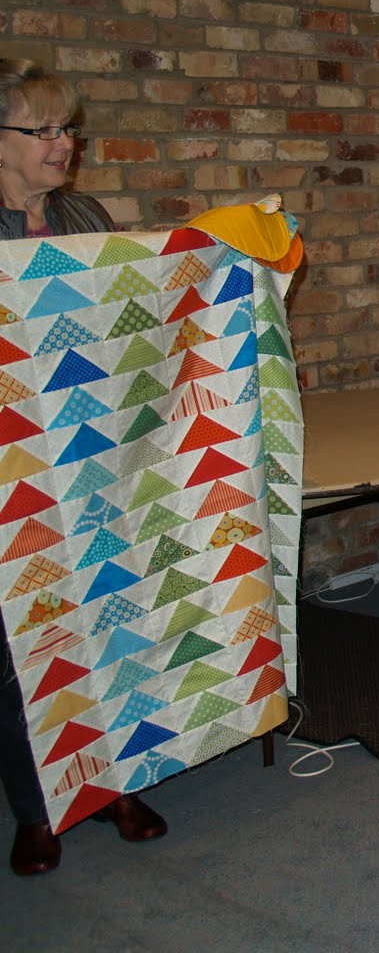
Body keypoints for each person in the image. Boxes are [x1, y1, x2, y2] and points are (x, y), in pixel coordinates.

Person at [0, 58, 168, 874]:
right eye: (44, 130)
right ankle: (38, 811)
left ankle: (113, 786)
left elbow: (132, 317)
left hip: (94, 453)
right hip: (11, 470)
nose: (62, 145)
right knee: (20, 639)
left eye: (67, 129)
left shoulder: (83, 214)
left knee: (109, 616)